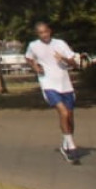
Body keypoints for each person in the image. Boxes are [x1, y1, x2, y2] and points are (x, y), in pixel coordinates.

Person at [24, 21, 82, 164]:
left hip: (65, 84)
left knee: (70, 118)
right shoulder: (33, 46)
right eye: (41, 33)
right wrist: (35, 66)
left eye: (46, 32)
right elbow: (28, 58)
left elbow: (75, 64)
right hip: (48, 84)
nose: (44, 35)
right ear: (37, 34)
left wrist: (63, 58)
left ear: (50, 31)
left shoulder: (60, 44)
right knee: (63, 113)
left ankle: (65, 144)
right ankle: (72, 146)